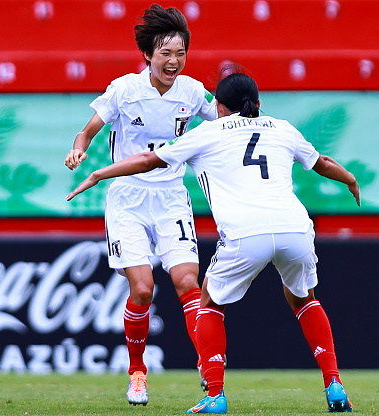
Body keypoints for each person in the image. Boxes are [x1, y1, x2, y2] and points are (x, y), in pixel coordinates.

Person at [66, 71, 358, 414]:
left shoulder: (207, 133)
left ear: (218, 106)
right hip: (295, 226)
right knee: (304, 300)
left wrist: (100, 172)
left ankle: (215, 395)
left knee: (208, 302)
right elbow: (321, 162)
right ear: (258, 104)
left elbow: (148, 160)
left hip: (246, 232)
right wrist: (349, 179)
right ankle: (334, 384)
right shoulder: (282, 127)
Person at [64, 3, 217, 405]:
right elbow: (88, 131)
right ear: (148, 55)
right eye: (166, 53)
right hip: (128, 198)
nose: (174, 61)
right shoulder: (123, 89)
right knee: (144, 289)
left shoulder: (194, 91)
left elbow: (224, 118)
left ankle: (205, 361)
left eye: (181, 53)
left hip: (171, 197)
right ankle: (137, 372)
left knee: (188, 282)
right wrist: (78, 151)